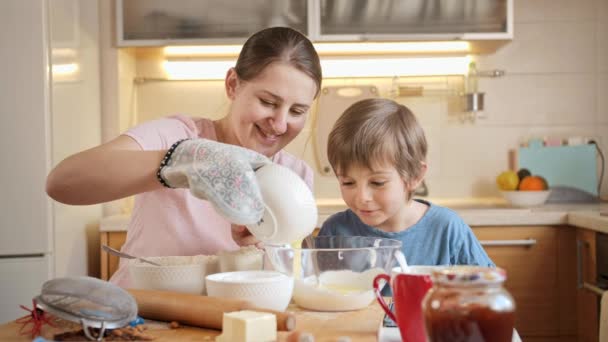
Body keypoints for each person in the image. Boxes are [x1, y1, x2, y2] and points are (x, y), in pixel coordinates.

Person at [46, 27, 322, 287]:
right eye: (268, 103)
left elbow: (293, 278)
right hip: (143, 320)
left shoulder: (294, 176)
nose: (281, 124)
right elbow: (63, 182)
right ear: (233, 85)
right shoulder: (175, 135)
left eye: (297, 111)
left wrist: (265, 246)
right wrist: (187, 162)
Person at [318, 98, 494, 268]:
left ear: (414, 176)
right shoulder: (335, 232)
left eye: (378, 182)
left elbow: (487, 289)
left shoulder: (447, 229)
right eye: (348, 182)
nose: (362, 197)